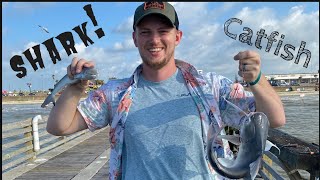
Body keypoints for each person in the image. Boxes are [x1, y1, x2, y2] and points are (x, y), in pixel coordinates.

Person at [46, 2, 285, 179]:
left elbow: (274, 118)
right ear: (134, 38)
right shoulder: (115, 94)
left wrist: (257, 80)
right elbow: (59, 127)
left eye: (163, 31)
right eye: (146, 32)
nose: (155, 39)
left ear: (177, 36)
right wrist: (75, 88)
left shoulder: (210, 87)